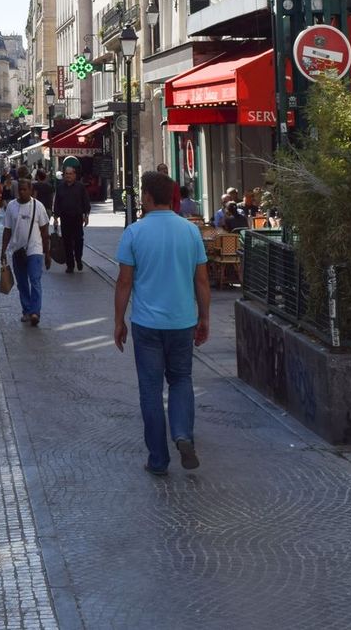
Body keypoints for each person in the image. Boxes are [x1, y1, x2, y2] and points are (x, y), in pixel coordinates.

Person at [114, 170, 210, 475]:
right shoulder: (191, 232)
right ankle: (182, 434)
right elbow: (203, 281)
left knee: (151, 390)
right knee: (181, 380)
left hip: (147, 324)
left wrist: (119, 321)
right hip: (182, 321)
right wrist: (205, 317)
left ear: (146, 197)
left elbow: (124, 283)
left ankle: (158, 459)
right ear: (171, 197)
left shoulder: (134, 232)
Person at [1, 177, 51, 325]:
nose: (21, 192)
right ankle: (27, 310)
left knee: (35, 280)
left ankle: (35, 312)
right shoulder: (11, 206)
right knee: (22, 282)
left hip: (34, 249)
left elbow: (45, 231)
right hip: (17, 250)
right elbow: (7, 230)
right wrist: (3, 250)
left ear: (31, 190)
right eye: (20, 190)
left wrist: (47, 253)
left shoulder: (38, 206)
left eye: (25, 189)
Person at [52, 164, 91, 272]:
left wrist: (86, 215)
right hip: (65, 218)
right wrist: (55, 217)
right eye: (66, 174)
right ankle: (70, 265)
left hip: (77, 218)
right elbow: (57, 203)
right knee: (67, 242)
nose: (68, 176)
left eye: (70, 174)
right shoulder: (60, 188)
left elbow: (85, 201)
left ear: (74, 175)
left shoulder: (80, 187)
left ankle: (78, 258)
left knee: (79, 240)